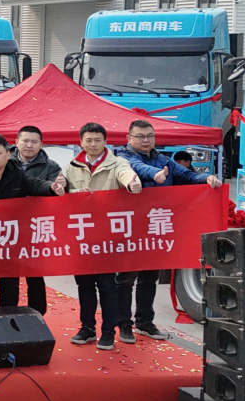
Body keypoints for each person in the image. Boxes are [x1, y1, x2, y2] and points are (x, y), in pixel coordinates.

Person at [116, 119, 222, 342]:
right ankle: (124, 324)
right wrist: (155, 175)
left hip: (156, 226)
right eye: (140, 136)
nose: (146, 140)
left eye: (149, 136)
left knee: (150, 277)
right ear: (129, 138)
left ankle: (144, 321)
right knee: (126, 278)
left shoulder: (164, 160)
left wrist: (207, 178)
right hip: (131, 227)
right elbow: (138, 169)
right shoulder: (122, 157)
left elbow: (188, 176)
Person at [62, 122, 142, 351]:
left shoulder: (117, 163)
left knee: (107, 286)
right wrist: (71, 192)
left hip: (107, 237)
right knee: (84, 285)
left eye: (97, 140)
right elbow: (63, 191)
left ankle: (108, 331)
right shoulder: (72, 166)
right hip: (82, 236)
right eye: (88, 140)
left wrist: (132, 183)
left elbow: (126, 175)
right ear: (81, 142)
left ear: (105, 141)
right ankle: (87, 328)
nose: (93, 144)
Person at [0, 124, 63, 315]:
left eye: (34, 142)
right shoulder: (5, 162)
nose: (29, 145)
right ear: (16, 142)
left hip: (35, 227)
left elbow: (52, 190)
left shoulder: (51, 166)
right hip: (6, 228)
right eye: (25, 141)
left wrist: (57, 187)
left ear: (41, 144)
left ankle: (37, 315)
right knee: (8, 273)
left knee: (35, 274)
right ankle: (7, 311)